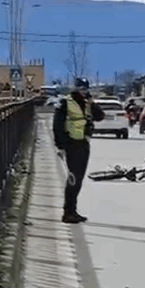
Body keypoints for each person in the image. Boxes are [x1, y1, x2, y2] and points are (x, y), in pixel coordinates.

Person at [53, 78, 105, 223]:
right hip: (71, 144)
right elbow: (57, 125)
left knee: (79, 179)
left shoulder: (87, 103)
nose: (84, 91)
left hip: (83, 143)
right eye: (81, 88)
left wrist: (92, 103)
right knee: (73, 179)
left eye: (85, 89)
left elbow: (100, 117)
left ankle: (73, 210)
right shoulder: (65, 102)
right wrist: (60, 146)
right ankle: (68, 212)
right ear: (75, 88)